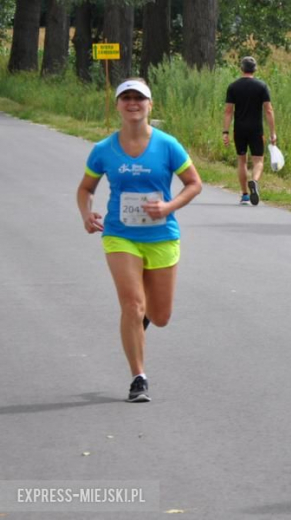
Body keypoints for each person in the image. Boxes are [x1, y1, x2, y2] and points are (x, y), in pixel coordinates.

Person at [77, 78, 203, 402]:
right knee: (132, 304)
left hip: (161, 235)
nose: (133, 103)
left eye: (139, 98)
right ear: (118, 105)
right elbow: (85, 189)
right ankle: (138, 378)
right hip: (120, 234)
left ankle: (140, 320)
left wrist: (168, 206)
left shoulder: (167, 144)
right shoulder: (104, 149)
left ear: (150, 105)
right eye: (126, 98)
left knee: (159, 317)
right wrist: (86, 213)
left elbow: (194, 183)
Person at [223, 56, 277, 206]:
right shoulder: (262, 86)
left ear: (241, 68)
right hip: (256, 129)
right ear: (255, 69)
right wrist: (273, 132)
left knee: (242, 160)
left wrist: (225, 132)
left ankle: (245, 195)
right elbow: (268, 110)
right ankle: (254, 181)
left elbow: (228, 111)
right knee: (258, 160)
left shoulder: (233, 86)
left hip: (239, 129)